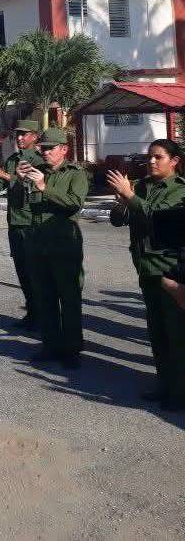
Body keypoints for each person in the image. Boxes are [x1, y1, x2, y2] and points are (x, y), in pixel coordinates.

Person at [109, 139, 185, 411]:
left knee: (176, 335)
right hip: (145, 269)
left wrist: (130, 196)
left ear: (174, 161)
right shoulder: (141, 186)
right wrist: (120, 201)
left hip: (169, 270)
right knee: (157, 333)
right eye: (150, 157)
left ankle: (179, 393)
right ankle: (164, 385)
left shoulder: (178, 191)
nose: (151, 161)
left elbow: (157, 218)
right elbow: (118, 220)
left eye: (158, 157)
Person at [17, 127, 88, 369]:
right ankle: (50, 345)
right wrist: (21, 181)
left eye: (50, 148)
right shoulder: (39, 173)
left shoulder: (75, 174)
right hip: (39, 246)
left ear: (64, 150)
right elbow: (24, 206)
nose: (44, 152)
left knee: (69, 300)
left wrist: (44, 187)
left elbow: (74, 203)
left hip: (64, 247)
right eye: (43, 148)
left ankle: (72, 349)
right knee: (45, 298)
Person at [0, 119, 44, 331]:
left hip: (30, 222)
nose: (20, 138)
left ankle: (41, 315)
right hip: (15, 222)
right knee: (22, 271)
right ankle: (33, 313)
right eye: (18, 135)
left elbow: (29, 183)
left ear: (35, 136)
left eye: (25, 134)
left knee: (35, 272)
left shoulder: (39, 160)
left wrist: (2, 174)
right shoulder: (14, 159)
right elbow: (1, 184)